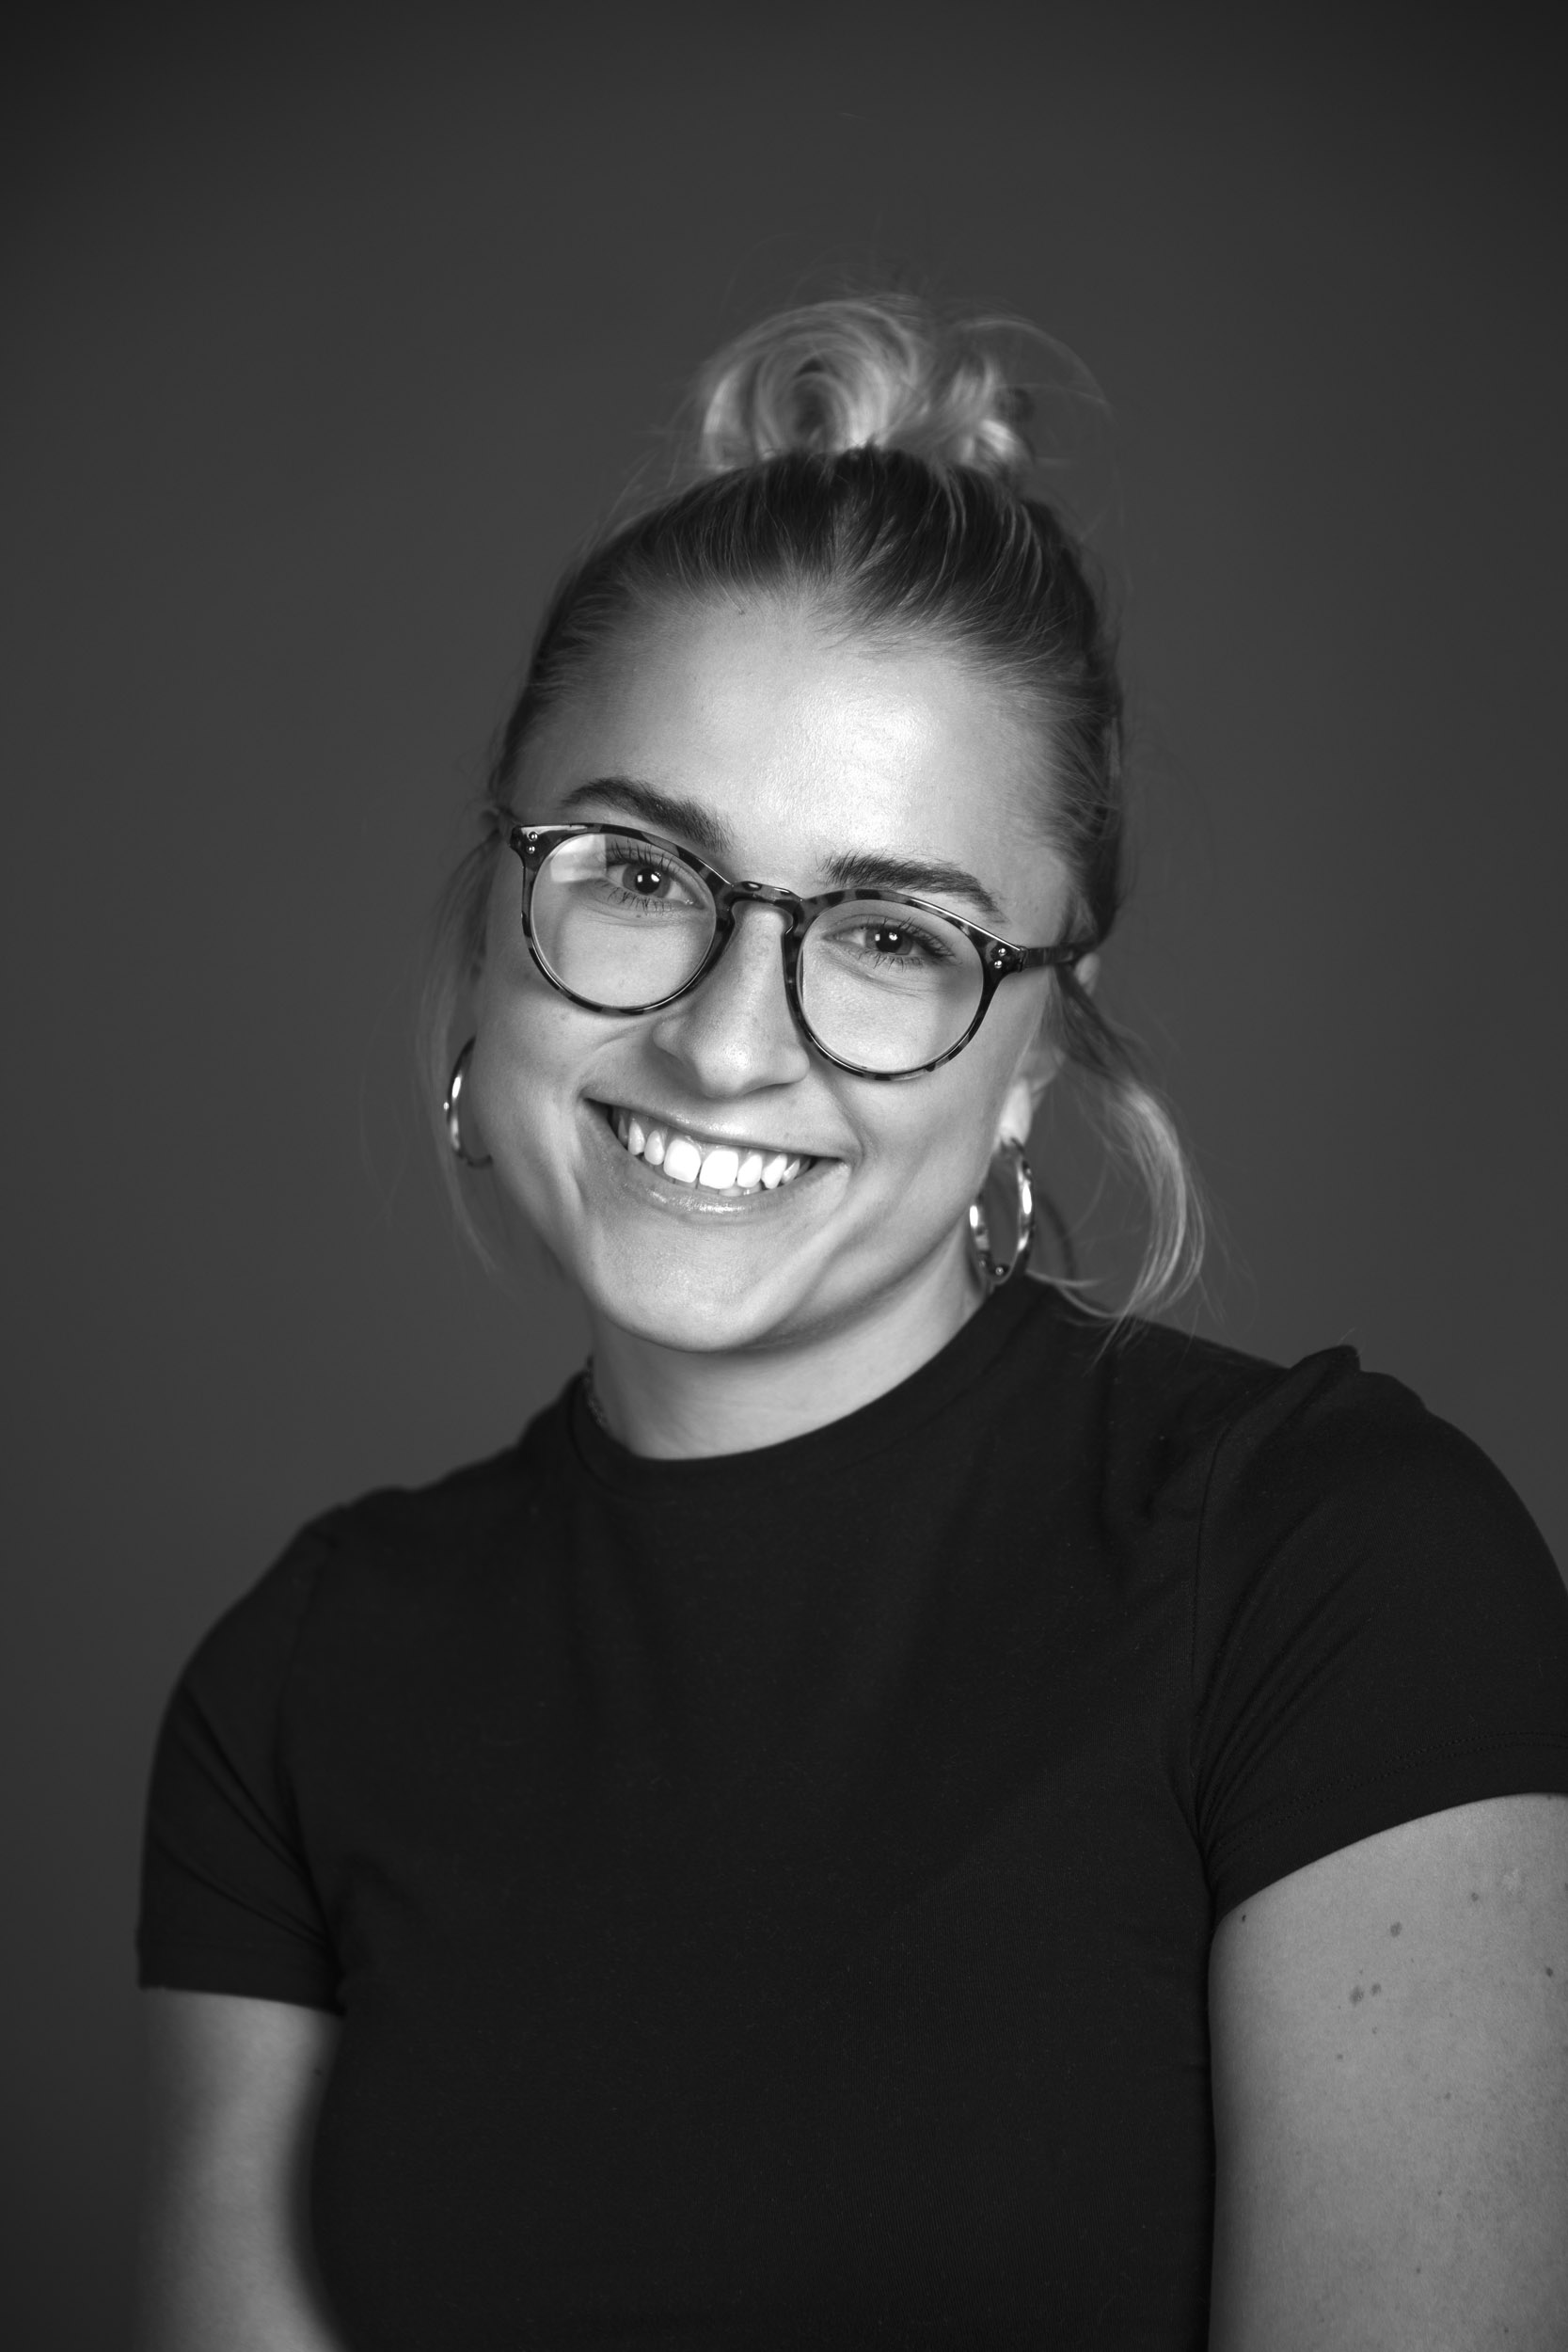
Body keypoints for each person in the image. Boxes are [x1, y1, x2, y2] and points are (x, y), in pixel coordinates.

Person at [134, 294, 1568, 2351]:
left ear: (1034, 1048)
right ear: (497, 914)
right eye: (641, 872)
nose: (728, 1042)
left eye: (892, 934)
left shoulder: (1341, 1576)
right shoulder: (292, 1683)